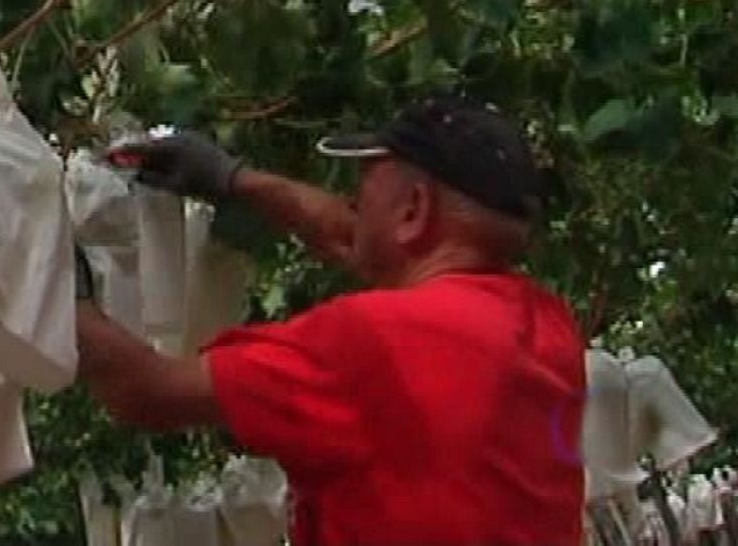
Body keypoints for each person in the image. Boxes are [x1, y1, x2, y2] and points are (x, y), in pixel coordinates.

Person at [75, 94, 587, 545]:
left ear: (414, 208)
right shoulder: (549, 326)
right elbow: (360, 238)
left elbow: (146, 390)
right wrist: (232, 179)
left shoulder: (360, 343)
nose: (350, 200)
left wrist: (49, 276)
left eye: (364, 187)